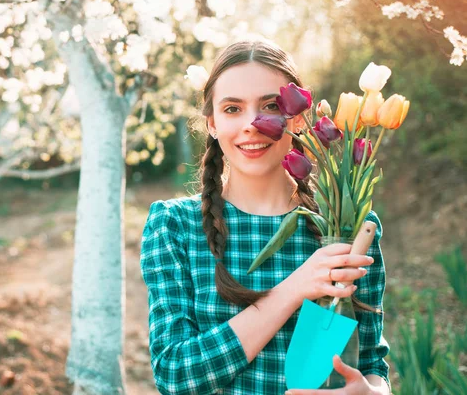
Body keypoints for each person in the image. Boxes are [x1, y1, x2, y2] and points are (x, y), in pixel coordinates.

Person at [139, 40, 391, 395]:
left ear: (300, 117)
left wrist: (372, 392)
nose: (253, 124)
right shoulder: (175, 226)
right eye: (232, 109)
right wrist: (293, 289)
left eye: (271, 106)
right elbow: (175, 375)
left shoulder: (346, 228)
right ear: (211, 123)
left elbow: (372, 363)